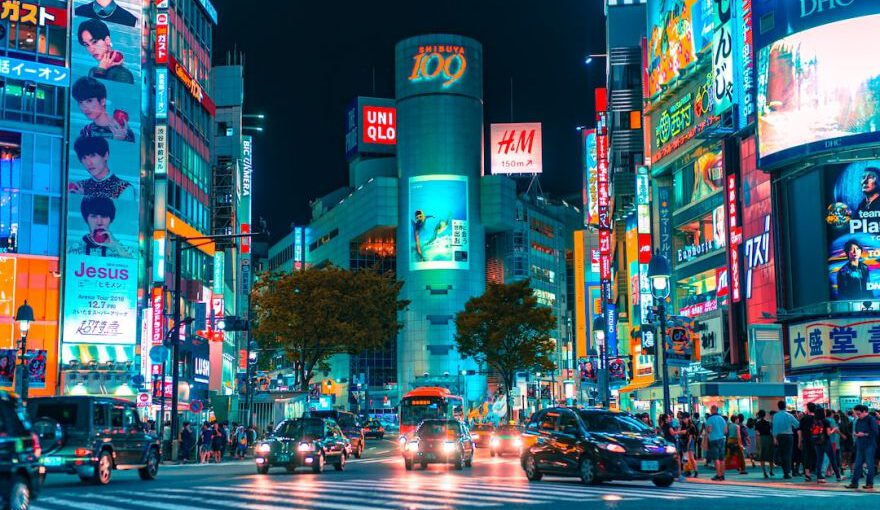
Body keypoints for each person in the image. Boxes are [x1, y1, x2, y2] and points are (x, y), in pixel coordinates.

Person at [67, 196, 134, 258]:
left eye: (104, 216)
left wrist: (116, 246)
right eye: (93, 216)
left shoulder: (124, 249)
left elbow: (136, 266)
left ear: (111, 219)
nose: (99, 222)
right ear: (86, 219)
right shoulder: (73, 249)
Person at [72, 77, 134, 142]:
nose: (84, 107)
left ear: (102, 101)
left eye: (89, 101)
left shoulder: (123, 130)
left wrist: (121, 140)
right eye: (80, 102)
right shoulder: (86, 131)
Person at [77, 18, 134, 84]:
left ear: (107, 40)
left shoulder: (122, 74)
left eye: (94, 42)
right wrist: (101, 69)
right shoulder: (94, 71)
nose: (91, 49)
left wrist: (101, 70)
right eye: (87, 45)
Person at [846, 405, 878, 489]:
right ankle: (854, 483)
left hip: (869, 445)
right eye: (856, 414)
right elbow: (856, 430)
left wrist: (864, 434)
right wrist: (856, 434)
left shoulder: (871, 419)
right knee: (857, 464)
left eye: (859, 413)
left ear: (864, 411)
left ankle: (869, 483)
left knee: (870, 464)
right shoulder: (859, 420)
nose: (857, 415)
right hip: (860, 444)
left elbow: (875, 432)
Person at [772, 400, 800, 479]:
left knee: (781, 453)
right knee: (788, 454)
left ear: (778, 406)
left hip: (779, 436)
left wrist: (774, 438)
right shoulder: (789, 415)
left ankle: (785, 471)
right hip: (788, 436)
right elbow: (797, 425)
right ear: (785, 406)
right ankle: (788, 472)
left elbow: (774, 428)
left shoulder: (775, 416)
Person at [813, 407, 841, 483]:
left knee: (819, 460)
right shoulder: (826, 421)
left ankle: (819, 477)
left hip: (817, 442)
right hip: (826, 442)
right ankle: (838, 476)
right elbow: (828, 433)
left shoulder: (814, 421)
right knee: (832, 459)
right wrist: (834, 430)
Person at [705, 405, 727, 481]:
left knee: (716, 458)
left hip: (713, 440)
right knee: (722, 458)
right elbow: (725, 431)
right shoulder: (722, 419)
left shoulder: (710, 419)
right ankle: (723, 475)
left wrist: (708, 431)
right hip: (722, 439)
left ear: (713, 410)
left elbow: (709, 430)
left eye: (711, 409)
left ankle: (718, 475)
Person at [755, 410, 774, 478]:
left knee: (762, 456)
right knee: (770, 455)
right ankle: (771, 471)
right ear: (765, 415)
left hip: (761, 439)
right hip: (769, 438)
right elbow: (772, 431)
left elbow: (757, 432)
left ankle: (764, 472)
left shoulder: (757, 423)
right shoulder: (768, 423)